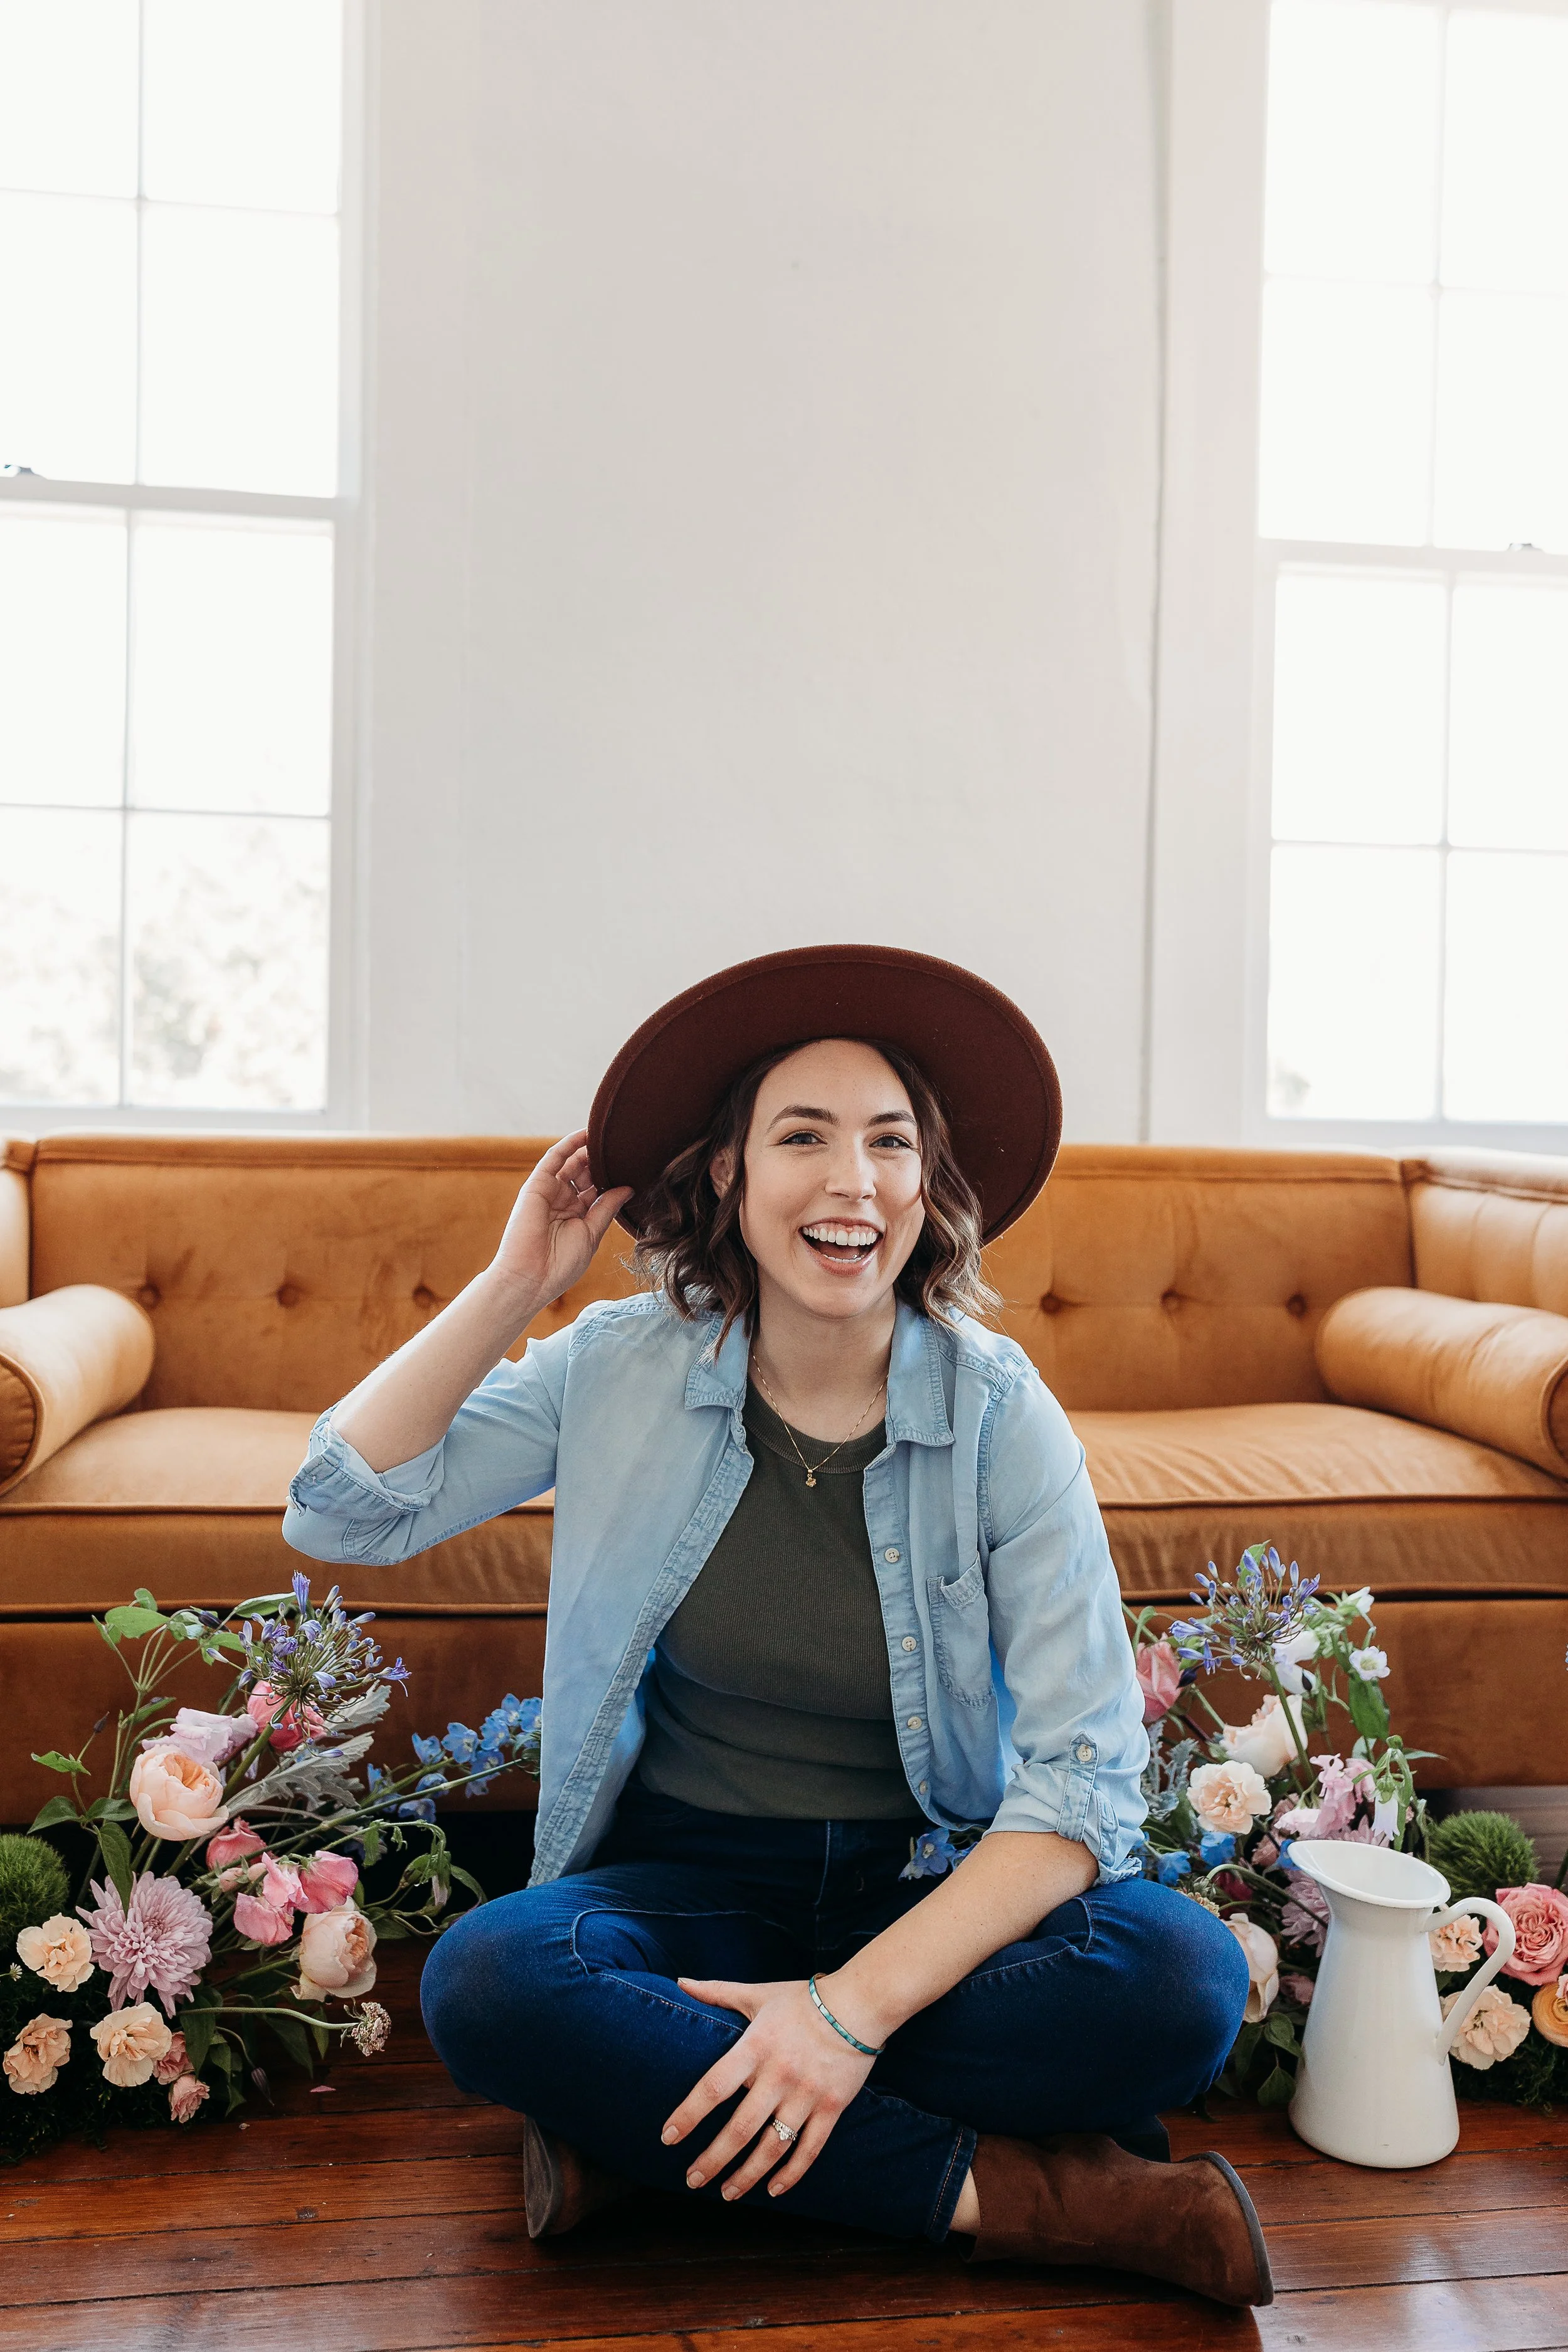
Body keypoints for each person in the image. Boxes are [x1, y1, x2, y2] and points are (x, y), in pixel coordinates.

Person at [282, 945, 1267, 2305]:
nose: (849, 1179)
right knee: (488, 1984)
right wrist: (520, 1281)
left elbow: (1083, 1783)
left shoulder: (995, 1410)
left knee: (1179, 1981)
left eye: (889, 1142)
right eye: (800, 1136)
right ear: (731, 1176)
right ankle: (1033, 2198)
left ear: (928, 1188)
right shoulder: (618, 1365)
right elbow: (341, 1508)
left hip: (921, 1887)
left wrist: (846, 2010)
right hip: (693, 1890)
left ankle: (652, 2142)